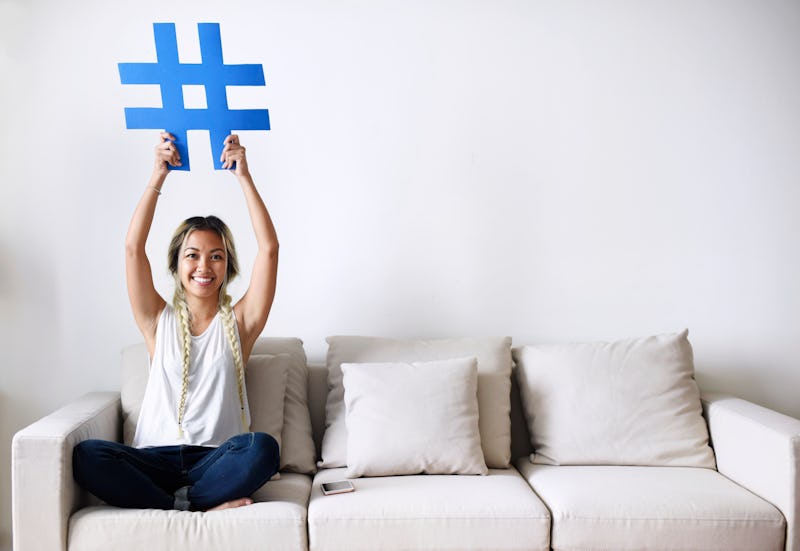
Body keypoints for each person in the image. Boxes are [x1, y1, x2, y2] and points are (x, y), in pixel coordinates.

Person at [73, 132, 280, 511]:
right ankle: (188, 506)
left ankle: (180, 503)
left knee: (262, 449)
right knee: (88, 455)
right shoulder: (156, 320)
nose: (204, 266)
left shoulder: (241, 323)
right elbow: (133, 248)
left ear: (228, 266)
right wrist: (157, 175)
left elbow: (269, 249)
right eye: (193, 255)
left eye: (216, 256)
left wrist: (244, 177)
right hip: (154, 460)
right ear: (176, 264)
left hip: (215, 461)